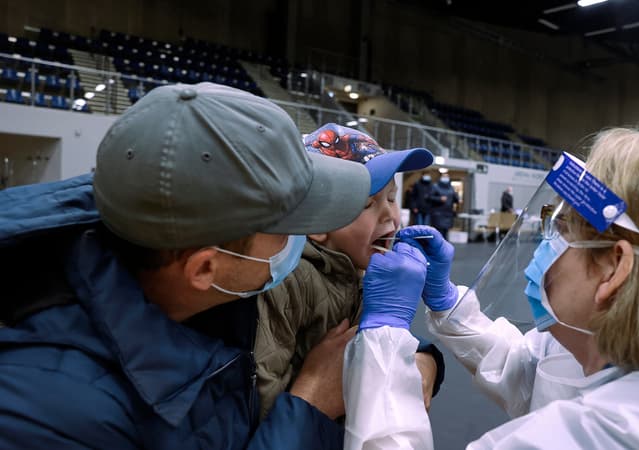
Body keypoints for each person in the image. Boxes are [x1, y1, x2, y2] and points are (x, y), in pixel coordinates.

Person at [343, 128, 639, 449]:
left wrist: (384, 340)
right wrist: (449, 304)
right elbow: (532, 371)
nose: (546, 246)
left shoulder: (579, 440)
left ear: (615, 267)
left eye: (560, 230)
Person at [0, 83, 374, 449]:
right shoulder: (51, 416)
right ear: (204, 269)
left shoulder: (186, 273)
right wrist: (310, 404)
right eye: (289, 230)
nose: (303, 239)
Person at [254, 123, 445, 418]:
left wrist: (424, 356)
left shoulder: (359, 271)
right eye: (367, 204)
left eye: (392, 198)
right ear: (317, 224)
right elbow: (262, 404)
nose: (389, 215)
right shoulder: (288, 283)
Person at [428, 174, 459, 240]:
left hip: (448, 213)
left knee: (445, 232)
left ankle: (444, 245)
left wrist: (456, 196)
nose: (445, 178)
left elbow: (455, 199)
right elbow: (429, 197)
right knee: (439, 232)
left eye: (447, 177)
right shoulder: (435, 186)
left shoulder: (451, 187)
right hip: (438, 213)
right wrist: (439, 199)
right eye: (444, 177)